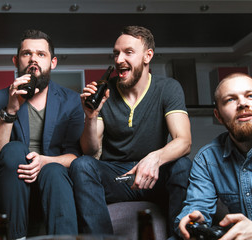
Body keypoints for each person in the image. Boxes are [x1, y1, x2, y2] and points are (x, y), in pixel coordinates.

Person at [69, 25, 192, 237]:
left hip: (154, 176)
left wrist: (155, 158)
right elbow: (89, 151)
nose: (118, 60)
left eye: (128, 52)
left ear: (147, 56)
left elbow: (184, 141)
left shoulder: (168, 88)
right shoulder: (105, 92)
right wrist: (90, 117)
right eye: (116, 53)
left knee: (182, 165)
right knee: (82, 164)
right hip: (117, 177)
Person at [0, 29, 84, 239]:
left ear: (52, 62)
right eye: (26, 53)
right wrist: (10, 111)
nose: (33, 59)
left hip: (53, 182)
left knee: (54, 171)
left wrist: (43, 162)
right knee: (14, 149)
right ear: (15, 60)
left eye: (41, 54)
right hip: (11, 185)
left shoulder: (71, 101)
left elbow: (75, 157)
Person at [175, 73, 252, 240]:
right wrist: (192, 218)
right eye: (230, 100)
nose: (242, 104)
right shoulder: (207, 159)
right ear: (218, 116)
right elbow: (198, 205)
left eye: (251, 96)